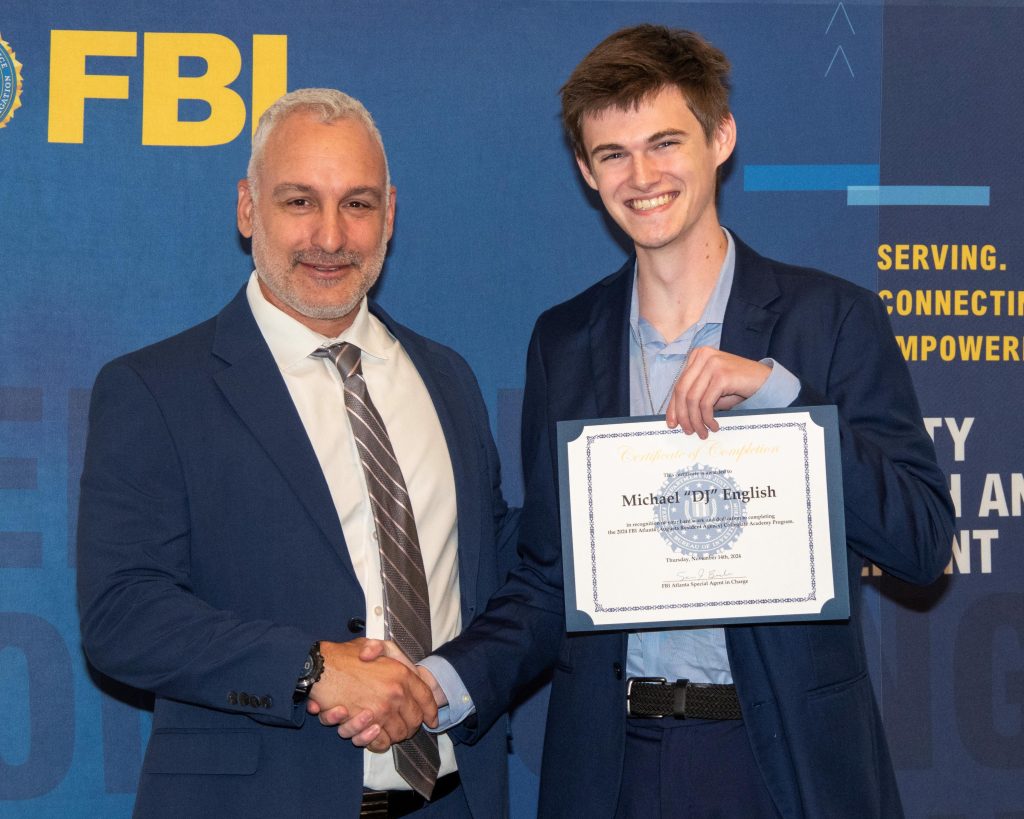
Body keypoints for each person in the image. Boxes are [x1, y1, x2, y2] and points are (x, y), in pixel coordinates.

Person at [337, 24, 954, 818]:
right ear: (588, 174)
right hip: (613, 764)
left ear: (720, 138)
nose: (643, 175)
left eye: (665, 142)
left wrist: (783, 403)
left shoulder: (830, 322)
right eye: (613, 154)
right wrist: (436, 682)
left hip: (785, 763)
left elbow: (920, 541)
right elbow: (550, 578)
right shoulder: (564, 341)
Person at [76, 88, 515, 818]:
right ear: (248, 208)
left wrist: (446, 679)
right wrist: (309, 669)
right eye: (299, 201)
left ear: (391, 214)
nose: (332, 237)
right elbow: (123, 615)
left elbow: (503, 586)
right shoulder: (153, 389)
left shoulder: (447, 378)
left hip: (453, 801)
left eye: (358, 204)